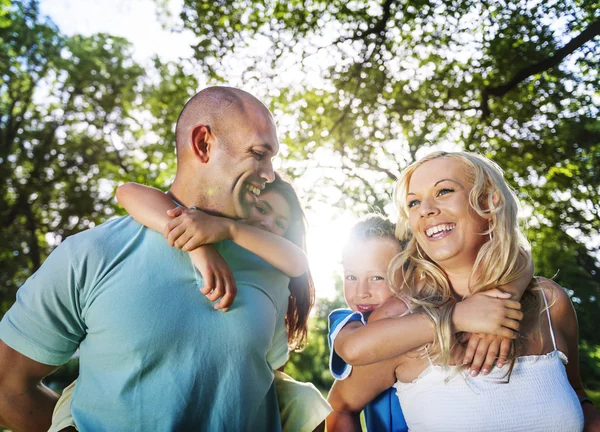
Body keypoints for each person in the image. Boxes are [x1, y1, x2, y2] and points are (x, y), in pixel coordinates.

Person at [0, 86, 296, 431]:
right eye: (259, 154)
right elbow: (7, 386)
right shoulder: (90, 254)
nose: (270, 174)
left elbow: (272, 385)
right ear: (203, 144)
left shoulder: (274, 270)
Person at [328, 151, 600, 431]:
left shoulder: (549, 301)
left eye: (444, 190)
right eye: (413, 203)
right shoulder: (396, 319)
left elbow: (580, 397)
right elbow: (340, 409)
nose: (426, 209)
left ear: (489, 202)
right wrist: (455, 316)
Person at [49, 173, 332, 432]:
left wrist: (229, 230)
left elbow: (298, 263)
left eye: (281, 223)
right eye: (262, 209)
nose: (269, 224)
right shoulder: (198, 223)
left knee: (304, 400)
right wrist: (199, 247)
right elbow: (127, 191)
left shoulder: (272, 271)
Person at [327, 214, 532, 431]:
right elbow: (353, 348)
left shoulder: (427, 304)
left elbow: (522, 256)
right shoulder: (351, 321)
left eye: (377, 278)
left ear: (411, 274)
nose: (361, 292)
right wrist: (457, 317)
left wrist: (505, 300)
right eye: (351, 277)